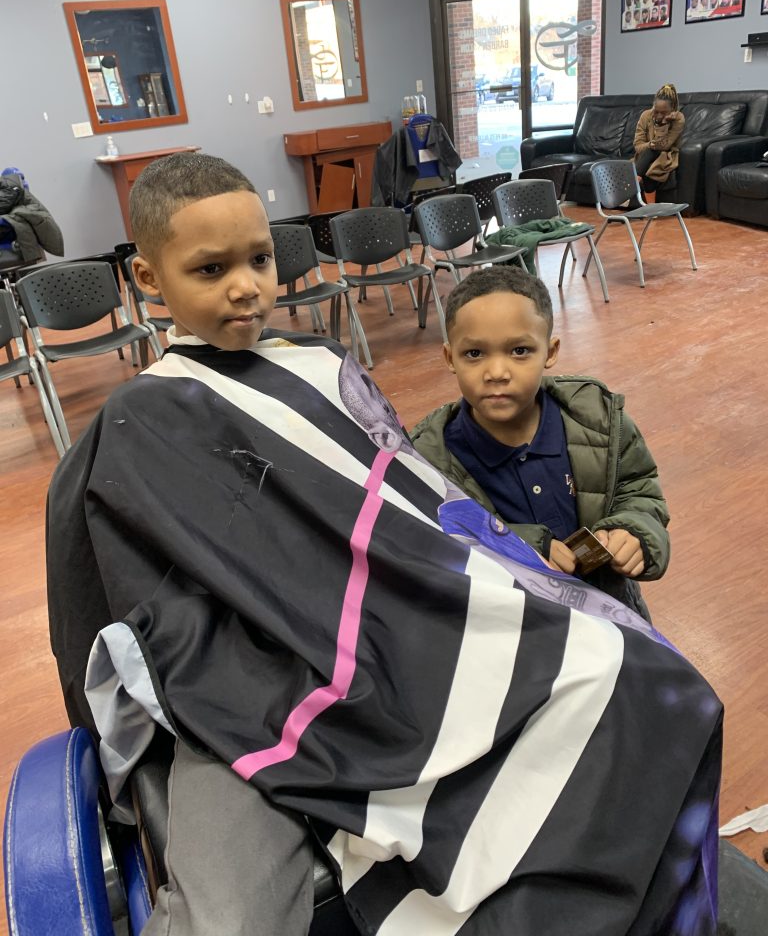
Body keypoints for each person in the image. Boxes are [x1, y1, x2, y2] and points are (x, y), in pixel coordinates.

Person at [47, 154, 722, 936]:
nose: (246, 287)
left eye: (260, 259)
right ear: (148, 277)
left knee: (639, 677)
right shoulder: (135, 423)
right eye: (211, 268)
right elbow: (121, 592)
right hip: (243, 668)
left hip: (387, 617)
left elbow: (407, 507)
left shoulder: (325, 368)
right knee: (232, 921)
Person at [411, 266, 670, 620]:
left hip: (615, 616)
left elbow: (639, 489)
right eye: (474, 354)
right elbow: (434, 544)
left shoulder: (599, 419)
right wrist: (526, 548)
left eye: (519, 350)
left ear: (550, 351)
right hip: (519, 634)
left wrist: (633, 531)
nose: (497, 372)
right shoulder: (429, 459)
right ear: (449, 358)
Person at [633, 82, 685, 201]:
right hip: (645, 155)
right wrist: (650, 144)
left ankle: (633, 182)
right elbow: (638, 146)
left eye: (664, 112)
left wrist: (663, 124)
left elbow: (664, 145)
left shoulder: (679, 118)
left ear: (672, 109)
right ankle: (651, 210)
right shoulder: (645, 116)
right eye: (656, 111)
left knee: (651, 167)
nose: (659, 115)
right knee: (650, 155)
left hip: (666, 156)